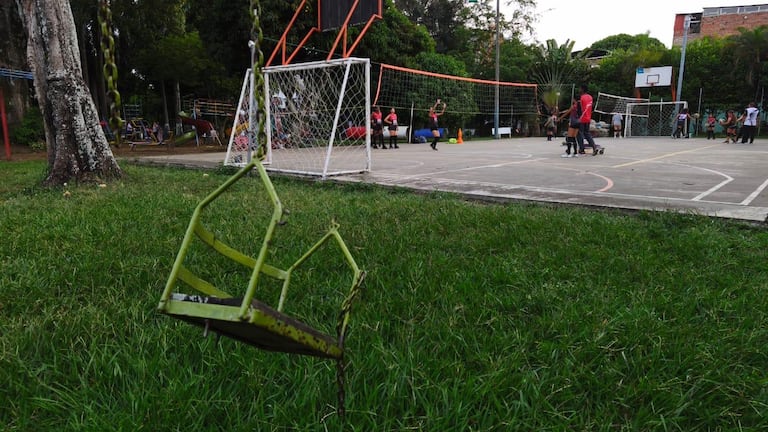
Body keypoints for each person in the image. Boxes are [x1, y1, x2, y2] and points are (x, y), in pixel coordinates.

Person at [578, 84, 599, 155]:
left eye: (580, 89)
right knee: (587, 133)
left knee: (580, 134)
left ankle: (581, 149)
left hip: (582, 118)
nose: (579, 90)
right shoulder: (590, 97)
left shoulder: (582, 97)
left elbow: (581, 109)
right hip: (588, 118)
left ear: (582, 89)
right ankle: (594, 147)